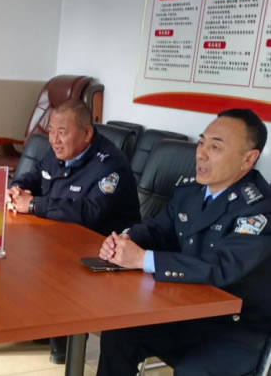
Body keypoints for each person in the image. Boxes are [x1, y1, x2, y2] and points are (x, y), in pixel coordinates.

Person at [97, 109, 271, 376]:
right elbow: (157, 229)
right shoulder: (190, 192)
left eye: (215, 147)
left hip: (238, 329)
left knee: (191, 372)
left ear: (248, 159)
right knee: (119, 333)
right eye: (201, 142)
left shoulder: (260, 207)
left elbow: (221, 267)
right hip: (189, 314)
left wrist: (143, 259)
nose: (201, 154)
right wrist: (124, 240)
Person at [8, 99, 141, 364]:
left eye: (62, 132)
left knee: (50, 262)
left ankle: (64, 343)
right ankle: (40, 323)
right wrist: (17, 188)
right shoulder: (59, 152)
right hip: (61, 234)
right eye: (51, 132)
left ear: (87, 133)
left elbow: (90, 213)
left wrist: (33, 205)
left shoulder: (110, 165)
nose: (54, 140)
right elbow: (37, 174)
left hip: (101, 247)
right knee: (17, 251)